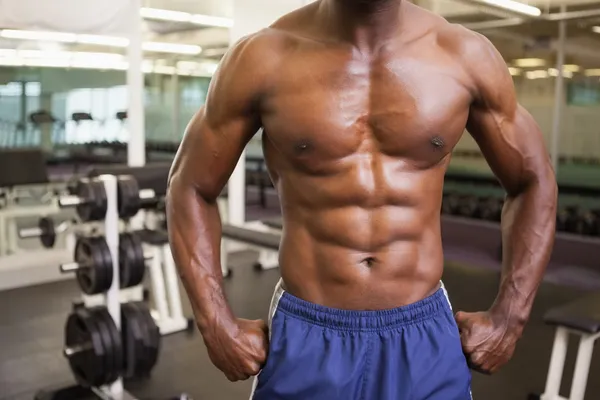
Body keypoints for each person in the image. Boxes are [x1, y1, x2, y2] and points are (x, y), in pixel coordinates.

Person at [166, 0, 557, 398]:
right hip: (309, 335)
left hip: (423, 336)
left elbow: (532, 180)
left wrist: (511, 316)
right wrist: (215, 323)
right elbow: (189, 186)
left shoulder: (463, 55)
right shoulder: (265, 57)